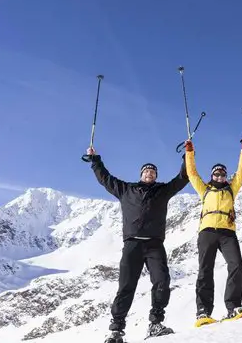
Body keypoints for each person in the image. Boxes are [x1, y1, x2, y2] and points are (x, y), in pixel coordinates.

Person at [86, 147, 188, 343]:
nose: (149, 173)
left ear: (156, 175)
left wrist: (188, 156)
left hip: (154, 244)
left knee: (162, 281)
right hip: (132, 244)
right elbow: (105, 178)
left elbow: (183, 178)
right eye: (146, 171)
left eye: (153, 171)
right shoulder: (126, 189)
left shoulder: (162, 191)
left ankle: (155, 323)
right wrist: (94, 160)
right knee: (126, 286)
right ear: (141, 174)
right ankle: (116, 330)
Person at [184, 138, 242, 325]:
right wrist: (190, 152)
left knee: (236, 265)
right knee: (205, 270)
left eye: (222, 174)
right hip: (207, 232)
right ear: (212, 176)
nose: (220, 177)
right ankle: (203, 311)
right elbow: (192, 174)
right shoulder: (204, 190)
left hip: (227, 232)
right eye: (217, 174)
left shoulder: (232, 189)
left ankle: (233, 306)